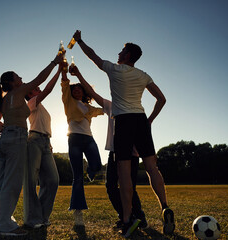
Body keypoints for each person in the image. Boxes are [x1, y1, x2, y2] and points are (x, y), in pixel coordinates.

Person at [72, 30, 174, 237]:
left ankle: (127, 220)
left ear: (127, 55)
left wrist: (80, 40)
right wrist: (150, 120)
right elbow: (161, 99)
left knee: (124, 174)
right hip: (140, 120)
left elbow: (93, 56)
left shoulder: (114, 69)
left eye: (122, 51)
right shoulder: (144, 75)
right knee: (152, 168)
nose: (119, 53)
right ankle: (164, 206)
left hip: (124, 122)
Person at [0, 51, 64, 236]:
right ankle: (4, 225)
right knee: (12, 183)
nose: (21, 78)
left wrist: (5, 127)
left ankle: (0, 221)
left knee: (2, 183)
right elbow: (41, 78)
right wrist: (55, 62)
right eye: (18, 77)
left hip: (7, 138)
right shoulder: (18, 92)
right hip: (16, 139)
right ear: (13, 82)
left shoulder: (6, 98)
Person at [71, 65, 147, 229]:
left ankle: (139, 218)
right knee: (111, 187)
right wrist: (78, 73)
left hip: (131, 153)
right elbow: (92, 94)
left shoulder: (134, 109)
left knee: (130, 187)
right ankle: (125, 216)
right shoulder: (111, 105)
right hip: (114, 151)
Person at [61, 63, 103, 226]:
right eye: (75, 89)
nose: (77, 90)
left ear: (84, 92)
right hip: (74, 140)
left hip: (89, 139)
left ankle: (90, 172)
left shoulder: (89, 107)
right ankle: (78, 212)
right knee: (77, 177)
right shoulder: (68, 101)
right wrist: (64, 71)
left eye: (79, 89)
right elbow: (64, 84)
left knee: (97, 165)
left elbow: (104, 109)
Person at [23, 62, 63, 229]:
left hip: (46, 143)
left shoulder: (41, 106)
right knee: (31, 181)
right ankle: (32, 220)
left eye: (38, 88)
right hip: (34, 141)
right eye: (35, 88)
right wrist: (59, 70)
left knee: (53, 180)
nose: (38, 89)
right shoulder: (32, 102)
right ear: (30, 94)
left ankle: (42, 216)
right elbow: (48, 89)